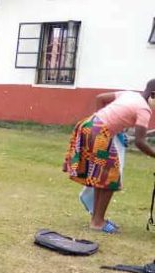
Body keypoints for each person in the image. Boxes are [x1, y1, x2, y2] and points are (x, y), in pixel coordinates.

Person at [63, 80, 155, 233]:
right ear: (153, 95)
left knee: (102, 176)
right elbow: (140, 142)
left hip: (89, 125)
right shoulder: (144, 110)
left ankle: (97, 219)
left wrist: (101, 120)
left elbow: (100, 98)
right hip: (99, 133)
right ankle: (97, 222)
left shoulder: (130, 94)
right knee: (111, 178)